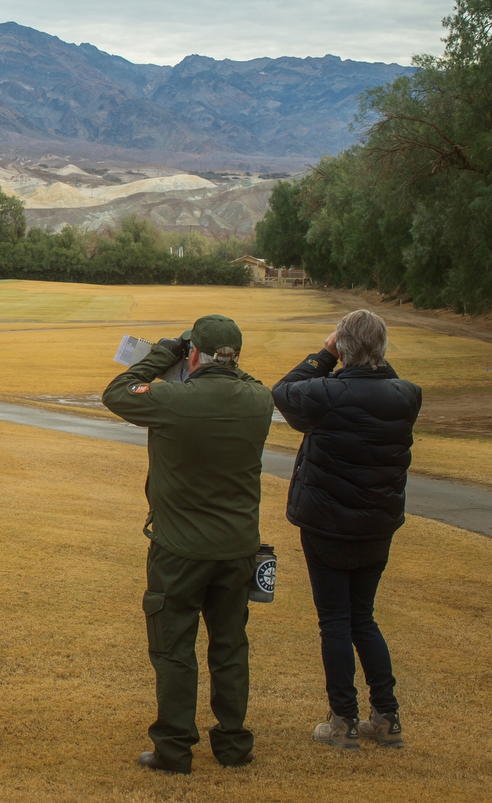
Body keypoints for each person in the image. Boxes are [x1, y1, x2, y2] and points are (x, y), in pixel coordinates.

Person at [102, 315, 274, 774]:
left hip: (178, 550)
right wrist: (204, 358)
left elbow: (117, 391)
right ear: (234, 355)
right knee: (231, 646)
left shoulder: (175, 399)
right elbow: (247, 380)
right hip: (237, 548)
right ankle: (233, 743)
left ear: (194, 353)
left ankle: (174, 748)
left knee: (175, 649)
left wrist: (165, 354)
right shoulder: (259, 399)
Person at [272, 309, 419, 751]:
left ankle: (344, 721)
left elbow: (282, 392)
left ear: (343, 345)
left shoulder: (326, 394)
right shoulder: (407, 395)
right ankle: (386, 715)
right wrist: (367, 352)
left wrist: (325, 353)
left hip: (327, 525)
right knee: (363, 618)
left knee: (334, 620)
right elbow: (381, 380)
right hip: (377, 527)